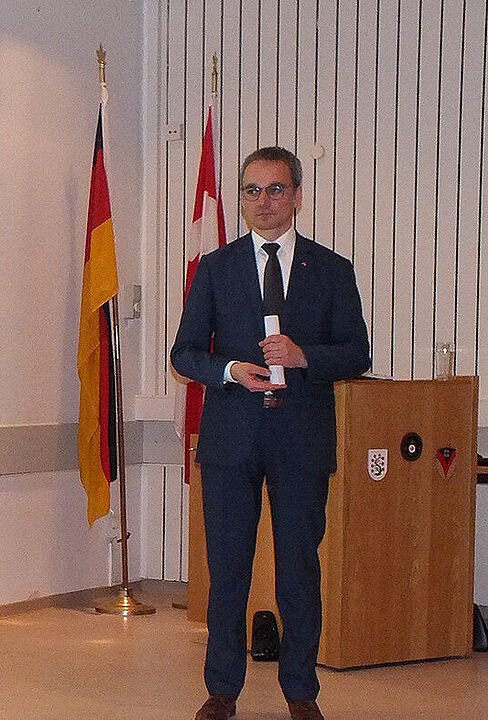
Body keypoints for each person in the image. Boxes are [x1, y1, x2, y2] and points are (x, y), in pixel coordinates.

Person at [171, 146, 370, 720]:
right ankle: (222, 690)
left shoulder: (331, 270)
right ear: (242, 199)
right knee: (228, 570)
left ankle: (301, 691)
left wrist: (305, 355)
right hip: (232, 439)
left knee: (298, 571)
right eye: (253, 191)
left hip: (300, 440)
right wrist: (230, 370)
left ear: (297, 196)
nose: (264, 202)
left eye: (276, 189)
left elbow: (356, 353)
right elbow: (184, 353)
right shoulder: (217, 268)